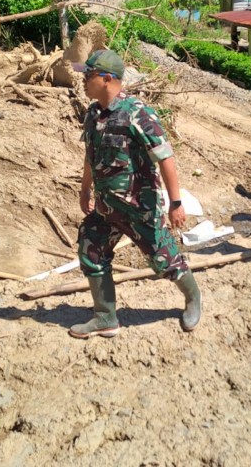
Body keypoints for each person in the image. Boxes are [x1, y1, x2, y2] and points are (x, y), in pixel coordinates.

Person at [70, 49, 201, 339]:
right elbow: (90, 156)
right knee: (91, 249)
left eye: (87, 75)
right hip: (106, 206)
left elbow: (165, 157)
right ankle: (105, 317)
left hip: (138, 207)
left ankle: (193, 299)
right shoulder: (93, 114)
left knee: (165, 262)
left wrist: (176, 203)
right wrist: (85, 189)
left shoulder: (137, 112)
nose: (83, 80)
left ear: (106, 79)